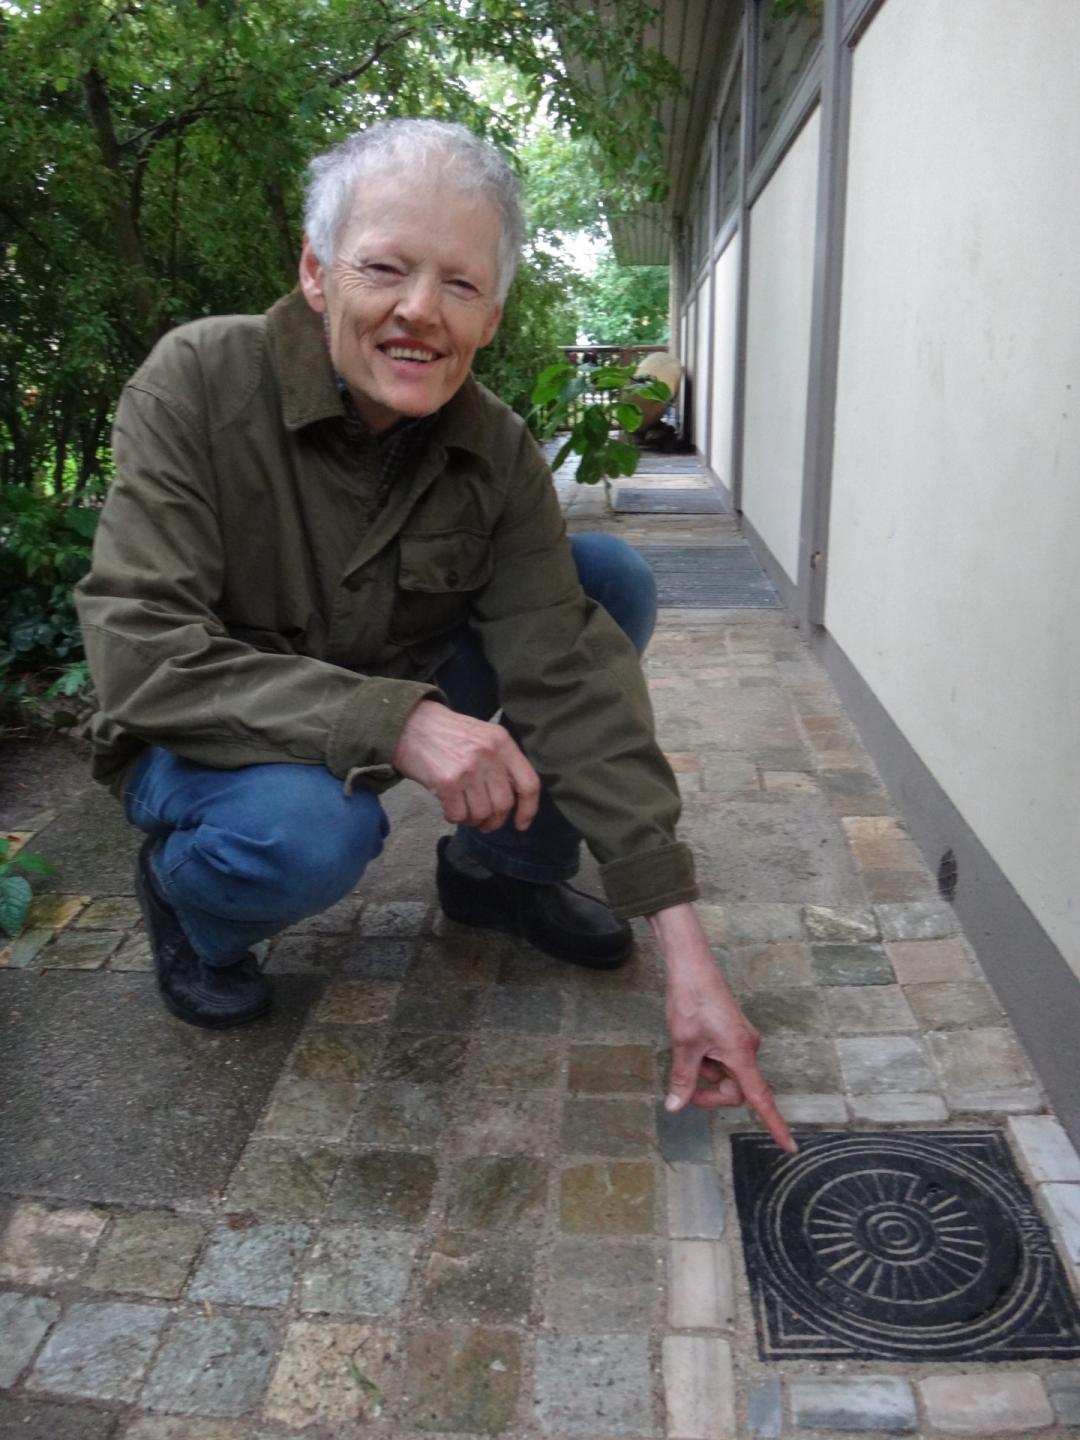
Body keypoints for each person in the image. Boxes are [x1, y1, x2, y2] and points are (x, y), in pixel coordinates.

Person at [75, 119, 794, 1152]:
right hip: (204, 736)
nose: (420, 311)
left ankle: (502, 872)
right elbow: (142, 655)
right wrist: (402, 724)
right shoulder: (196, 379)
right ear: (319, 273)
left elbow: (566, 672)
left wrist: (681, 936)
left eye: (459, 284)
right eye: (385, 268)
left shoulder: (493, 448)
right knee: (314, 832)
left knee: (602, 585)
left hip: (384, 680)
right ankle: (197, 911)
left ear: (492, 315)